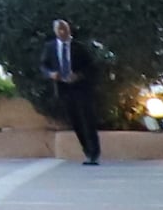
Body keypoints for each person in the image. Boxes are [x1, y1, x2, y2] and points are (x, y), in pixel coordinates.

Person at [35, 14, 110, 165]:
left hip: (81, 88)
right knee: (75, 121)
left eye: (65, 29)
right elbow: (43, 65)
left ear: (69, 30)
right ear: (55, 31)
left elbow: (91, 67)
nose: (63, 32)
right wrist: (51, 74)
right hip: (63, 88)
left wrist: (79, 75)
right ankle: (87, 151)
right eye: (60, 30)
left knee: (87, 119)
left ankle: (94, 153)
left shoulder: (79, 47)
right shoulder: (50, 47)